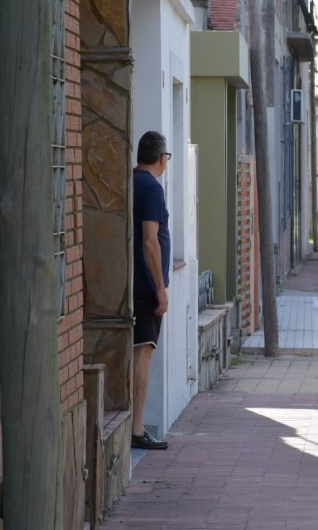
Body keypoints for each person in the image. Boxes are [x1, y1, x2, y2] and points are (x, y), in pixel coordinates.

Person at [131, 131, 171, 449]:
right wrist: (160, 288)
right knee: (143, 354)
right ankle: (137, 428)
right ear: (162, 158)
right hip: (146, 287)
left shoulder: (130, 181)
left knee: (137, 353)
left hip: (130, 283)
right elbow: (149, 240)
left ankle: (133, 423)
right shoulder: (153, 188)